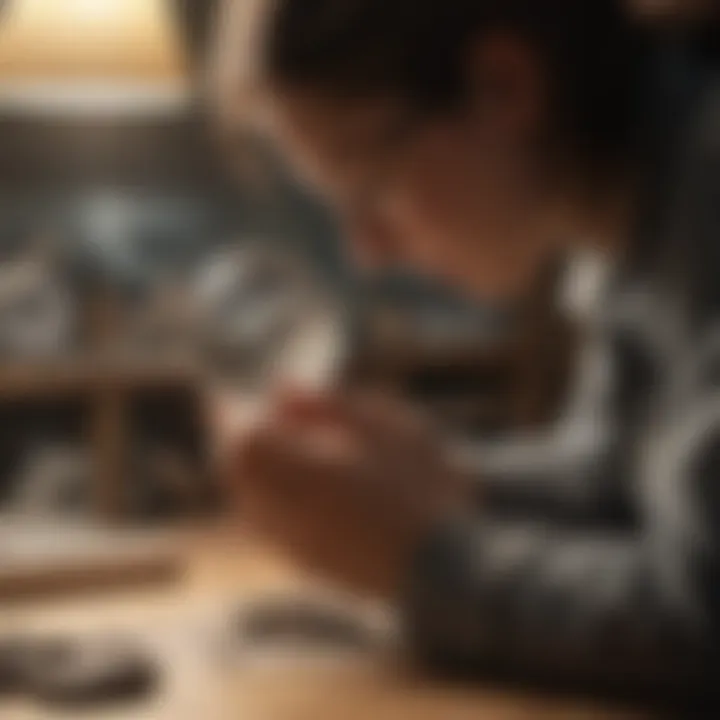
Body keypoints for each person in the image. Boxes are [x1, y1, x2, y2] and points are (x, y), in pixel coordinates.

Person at [213, 0, 720, 702]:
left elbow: (699, 619)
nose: (366, 254)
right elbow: (620, 491)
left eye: (371, 189)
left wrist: (423, 561)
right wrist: (419, 475)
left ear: (502, 86)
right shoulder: (622, 210)